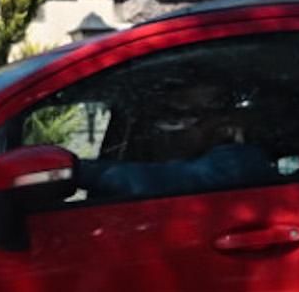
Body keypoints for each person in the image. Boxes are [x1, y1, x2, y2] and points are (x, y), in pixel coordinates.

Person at [89, 76, 281, 202]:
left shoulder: (236, 164)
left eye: (179, 117)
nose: (163, 129)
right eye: (166, 116)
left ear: (224, 125)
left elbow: (128, 180)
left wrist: (72, 170)